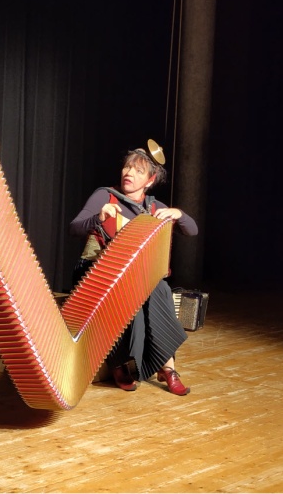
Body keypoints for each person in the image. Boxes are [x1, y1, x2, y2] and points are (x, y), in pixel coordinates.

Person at [69, 140, 198, 396]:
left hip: (138, 276)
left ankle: (167, 366)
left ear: (149, 180)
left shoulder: (154, 207)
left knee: (158, 287)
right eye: (128, 167)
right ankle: (121, 363)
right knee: (134, 292)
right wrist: (99, 217)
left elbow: (192, 230)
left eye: (138, 171)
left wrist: (178, 214)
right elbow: (74, 227)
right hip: (98, 272)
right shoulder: (104, 195)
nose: (129, 173)